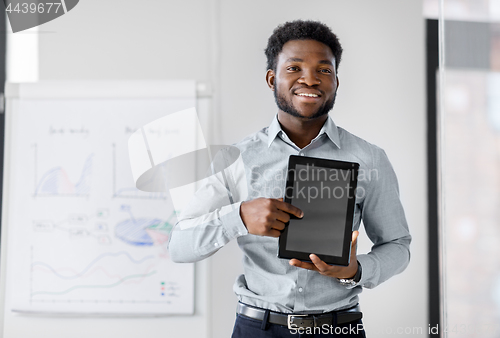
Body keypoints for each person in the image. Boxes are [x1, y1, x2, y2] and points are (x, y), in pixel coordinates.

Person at [168, 20, 411, 337]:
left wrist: (357, 269)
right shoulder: (236, 159)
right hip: (257, 328)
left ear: (336, 81)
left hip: (339, 328)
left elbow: (397, 246)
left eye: (323, 70)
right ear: (272, 79)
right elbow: (179, 246)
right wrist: (238, 217)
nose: (309, 78)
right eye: (294, 68)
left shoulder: (369, 158)